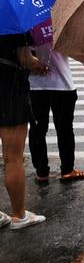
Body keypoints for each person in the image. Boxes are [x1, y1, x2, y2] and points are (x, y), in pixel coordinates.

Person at [0, 33, 47, 229]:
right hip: (9, 90)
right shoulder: (15, 24)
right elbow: (25, 58)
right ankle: (19, 215)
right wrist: (37, 63)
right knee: (13, 157)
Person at [28, 25, 84, 184]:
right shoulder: (62, 20)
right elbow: (76, 48)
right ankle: (67, 170)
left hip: (35, 85)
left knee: (37, 129)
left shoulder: (26, 21)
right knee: (65, 128)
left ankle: (41, 172)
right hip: (62, 83)